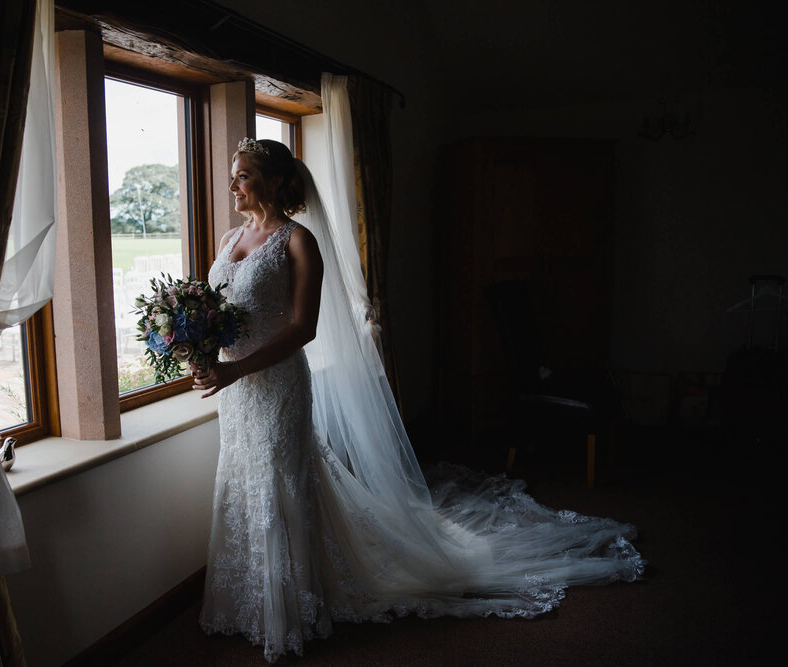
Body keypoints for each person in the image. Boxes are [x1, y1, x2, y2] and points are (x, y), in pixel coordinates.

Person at [193, 138, 644, 663]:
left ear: (273, 181)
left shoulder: (298, 241)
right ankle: (244, 601)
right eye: (233, 175)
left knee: (280, 482)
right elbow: (220, 313)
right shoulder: (230, 239)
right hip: (234, 390)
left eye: (243, 175)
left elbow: (303, 328)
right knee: (242, 479)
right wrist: (198, 347)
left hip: (273, 387)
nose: (232, 185)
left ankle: (292, 605)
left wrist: (236, 368)